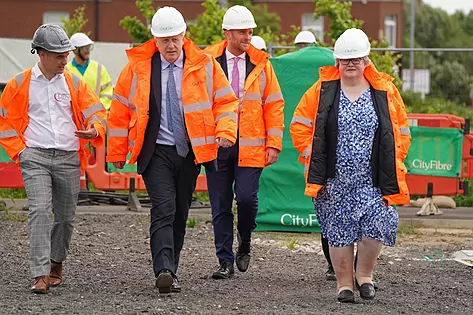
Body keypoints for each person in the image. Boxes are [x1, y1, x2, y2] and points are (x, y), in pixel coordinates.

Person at [106, 7, 238, 294]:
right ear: (154, 39)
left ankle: (172, 268)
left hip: (190, 153)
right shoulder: (138, 68)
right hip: (155, 152)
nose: (169, 45)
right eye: (163, 40)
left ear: (183, 36)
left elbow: (226, 102)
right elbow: (119, 111)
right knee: (163, 209)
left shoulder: (204, 65)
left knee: (179, 212)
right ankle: (164, 270)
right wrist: (116, 152)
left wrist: (226, 131)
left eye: (174, 39)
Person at [290, 28, 410, 303]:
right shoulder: (322, 90)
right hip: (334, 180)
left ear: (367, 60)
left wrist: (396, 160)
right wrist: (313, 154)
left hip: (373, 180)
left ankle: (364, 275)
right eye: (345, 60)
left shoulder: (384, 90)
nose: (351, 64)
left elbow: (401, 130)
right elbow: (299, 125)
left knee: (380, 223)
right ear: (337, 62)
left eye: (356, 59)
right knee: (339, 231)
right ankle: (344, 284)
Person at [0, 24, 107, 294]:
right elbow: (5, 122)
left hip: (69, 157)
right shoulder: (19, 84)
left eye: (66, 54)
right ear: (42, 54)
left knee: (66, 217)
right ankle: (40, 274)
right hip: (34, 156)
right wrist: (21, 151)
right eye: (59, 55)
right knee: (38, 210)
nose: (65, 60)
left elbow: (97, 111)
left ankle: (55, 263)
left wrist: (94, 129)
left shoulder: (75, 83)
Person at [204, 5, 285, 280]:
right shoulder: (207, 61)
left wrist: (273, 143)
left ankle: (245, 240)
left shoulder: (263, 64)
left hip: (251, 145)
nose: (247, 36)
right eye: (242, 31)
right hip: (217, 143)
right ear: (227, 33)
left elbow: (274, 105)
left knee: (248, 200)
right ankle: (224, 261)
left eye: (250, 31)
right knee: (220, 204)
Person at [67, 33, 113, 110]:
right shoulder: (66, 71)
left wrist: (97, 109)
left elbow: (108, 93)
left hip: (96, 116)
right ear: (75, 50)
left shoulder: (100, 69)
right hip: (74, 117)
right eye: (84, 48)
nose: (88, 51)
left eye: (89, 47)